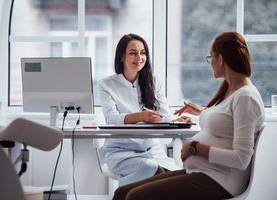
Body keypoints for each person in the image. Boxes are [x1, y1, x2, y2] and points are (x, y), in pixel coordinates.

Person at [112, 32, 265, 200]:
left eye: (211, 57)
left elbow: (241, 159)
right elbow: (226, 122)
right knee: (121, 193)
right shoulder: (230, 91)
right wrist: (200, 114)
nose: (210, 62)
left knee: (134, 197)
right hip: (203, 172)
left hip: (220, 180)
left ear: (221, 59)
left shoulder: (245, 97)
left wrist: (196, 148)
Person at [98, 33, 179, 186]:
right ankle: (125, 193)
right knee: (155, 172)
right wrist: (141, 116)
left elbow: (166, 115)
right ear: (122, 57)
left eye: (143, 53)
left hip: (152, 150)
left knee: (177, 178)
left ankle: (128, 191)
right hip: (121, 152)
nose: (139, 57)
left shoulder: (153, 82)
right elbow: (111, 118)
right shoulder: (106, 84)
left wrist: (176, 119)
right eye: (133, 53)